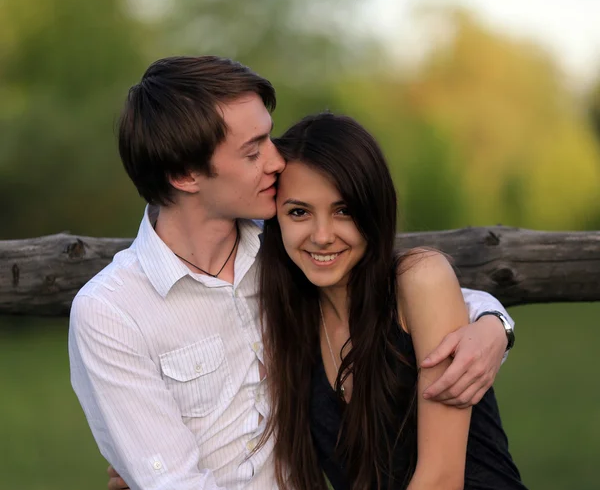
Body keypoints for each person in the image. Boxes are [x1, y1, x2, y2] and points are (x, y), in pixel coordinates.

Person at [68, 56, 515, 490]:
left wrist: (495, 325)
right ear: (185, 174)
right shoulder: (111, 312)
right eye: (253, 151)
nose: (276, 160)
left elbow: (405, 290)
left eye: (269, 138)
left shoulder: (281, 250)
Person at [258, 112, 526, 490]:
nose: (321, 236)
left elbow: (441, 479)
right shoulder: (291, 317)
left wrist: (497, 323)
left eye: (343, 211)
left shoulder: (419, 278)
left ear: (374, 208)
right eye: (299, 212)